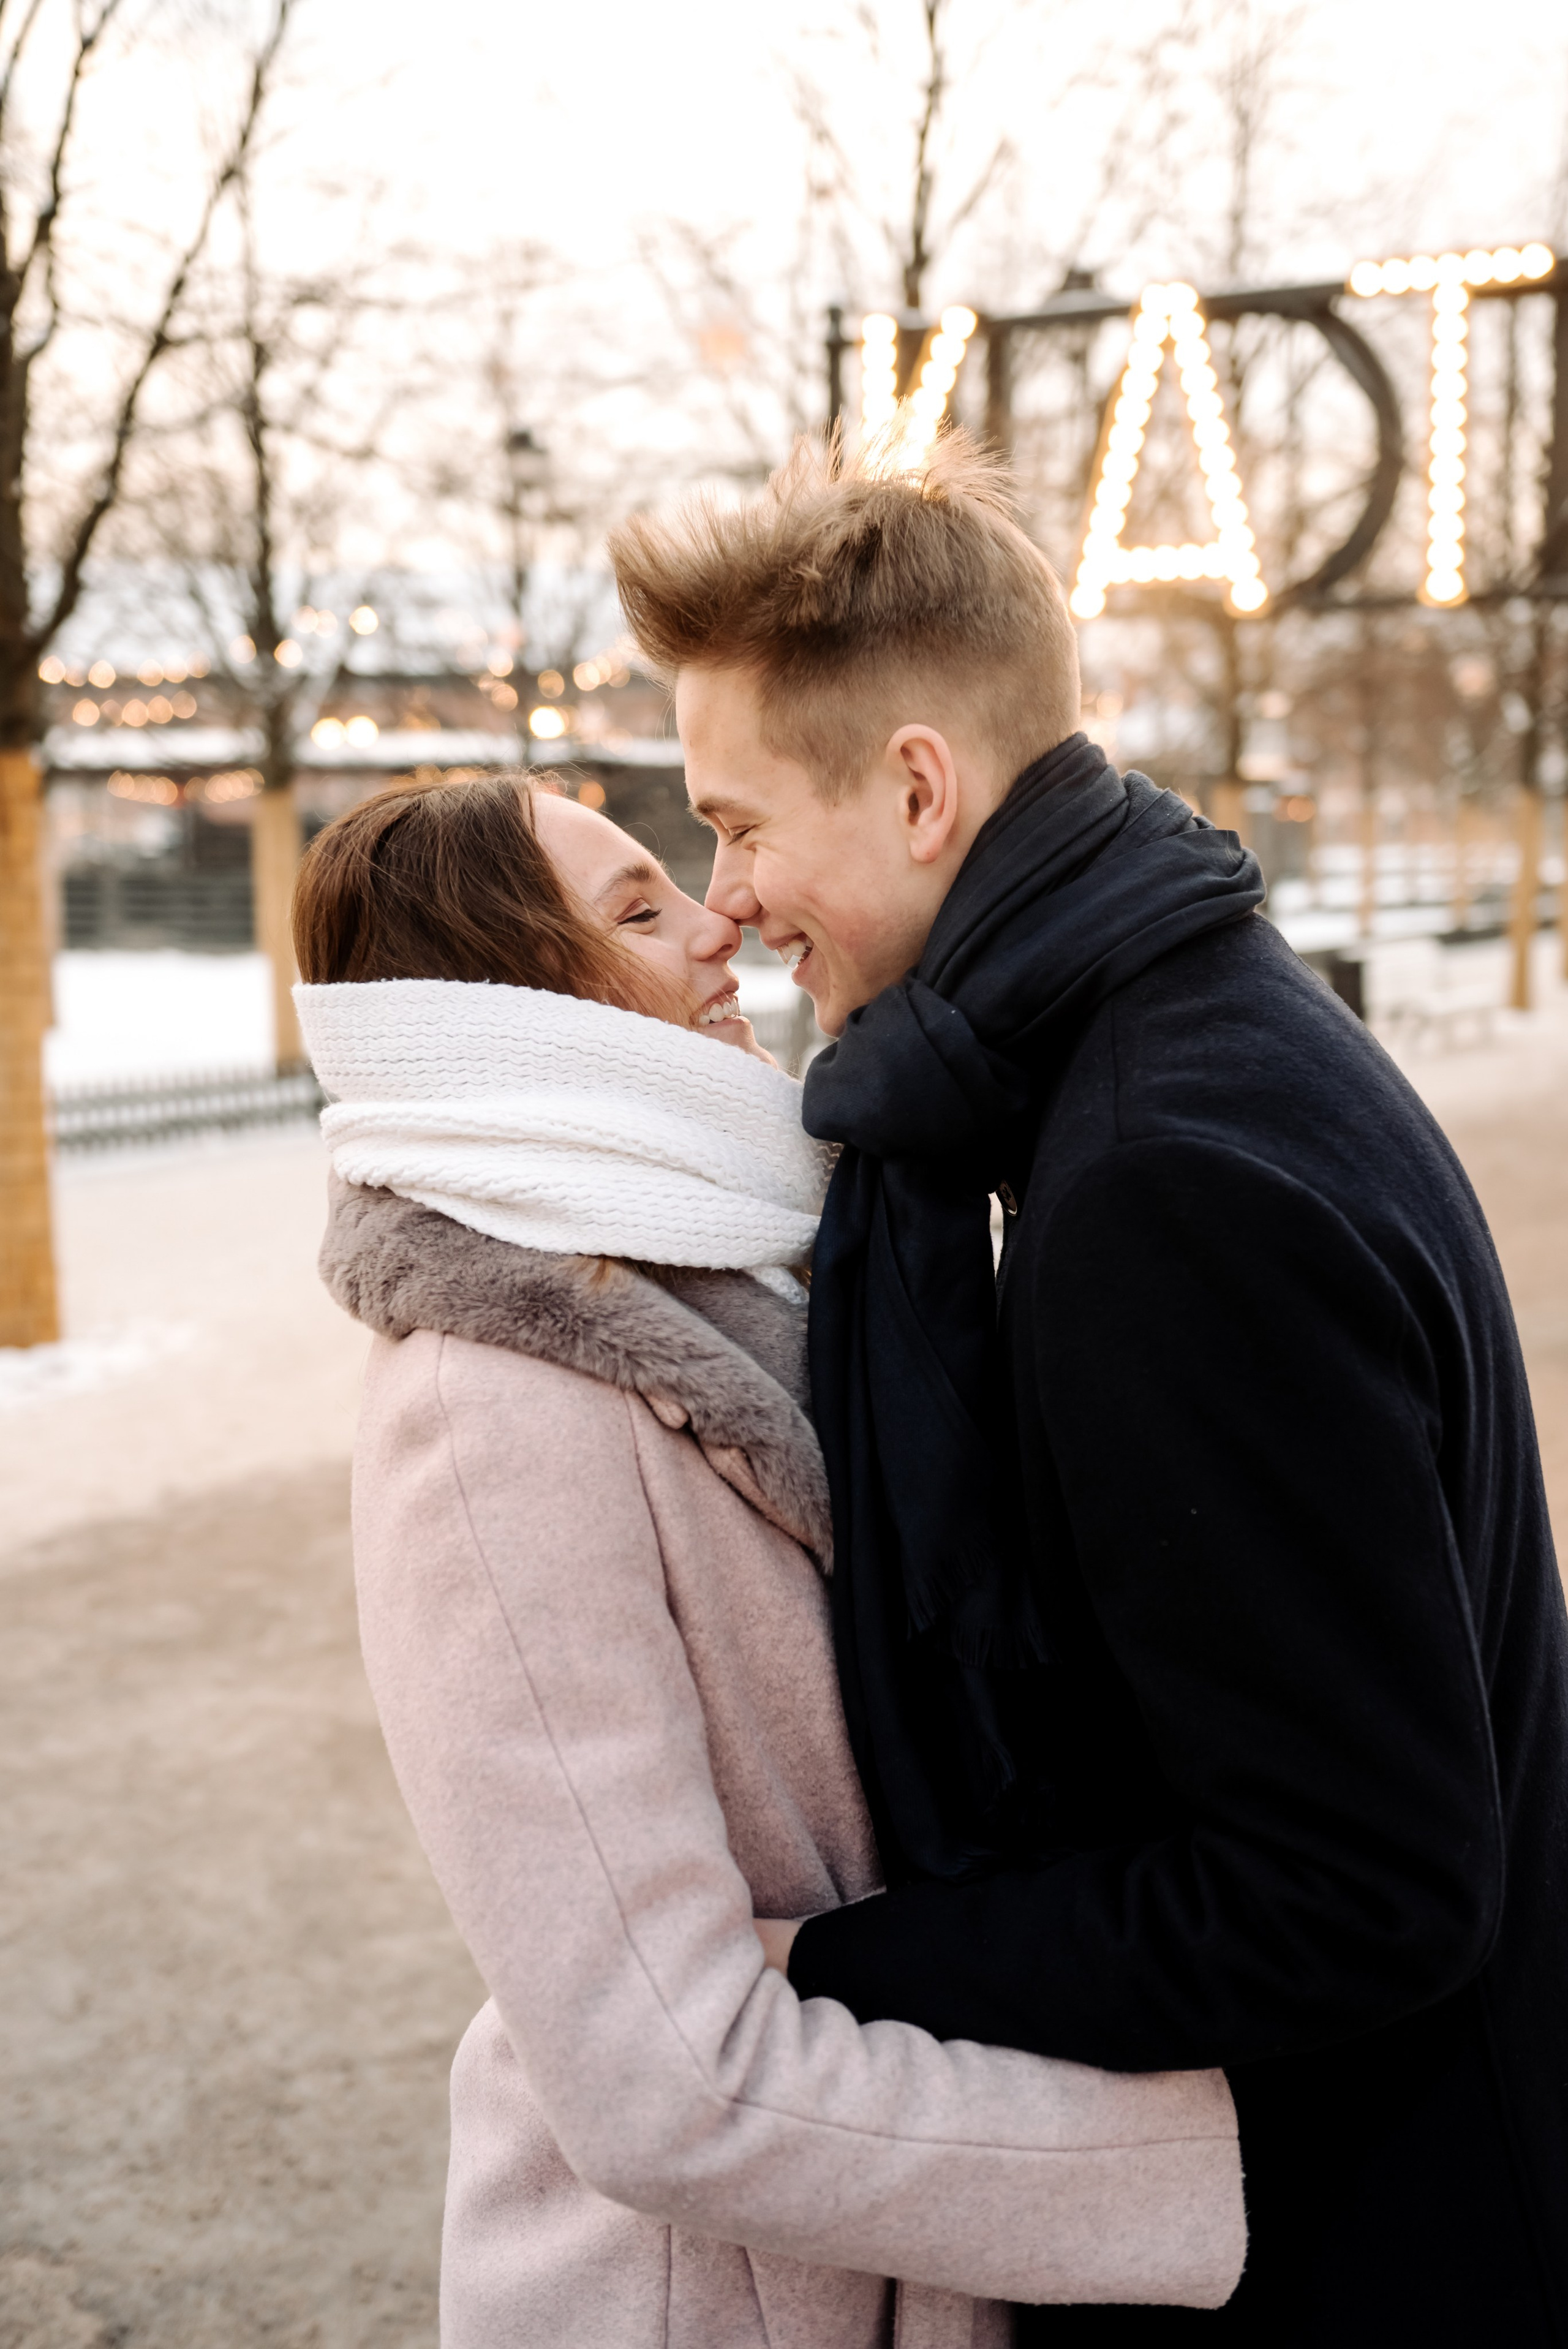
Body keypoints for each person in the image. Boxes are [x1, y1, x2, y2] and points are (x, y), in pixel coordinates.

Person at [608, 431, 1568, 2345]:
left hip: (1366, 2243)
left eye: (737, 823)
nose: (726, 902)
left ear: (915, 785)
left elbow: (1356, 1888)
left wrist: (852, 1964)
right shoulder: (1178, 1025)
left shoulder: (1159, 1181)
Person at [288, 772, 1245, 2349]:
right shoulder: (492, 1415)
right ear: (510, 1007)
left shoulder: (749, 1278)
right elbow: (658, 2073)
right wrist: (1201, 2152)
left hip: (890, 2247)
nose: (719, 920)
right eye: (640, 911)